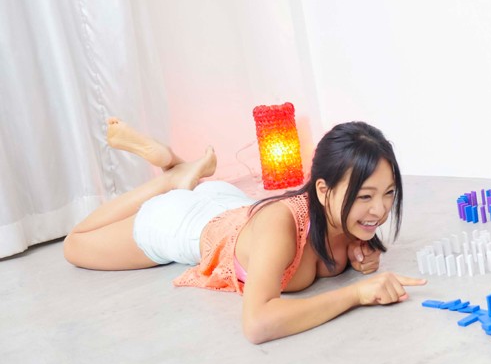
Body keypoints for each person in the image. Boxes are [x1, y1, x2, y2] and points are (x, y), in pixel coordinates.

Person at [64, 118, 426, 343]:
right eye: (365, 196)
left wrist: (361, 255)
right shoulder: (282, 225)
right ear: (322, 190)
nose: (380, 209)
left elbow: (351, 245)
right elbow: (258, 323)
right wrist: (356, 293)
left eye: (388, 193)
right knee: (75, 244)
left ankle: (181, 172)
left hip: (231, 204)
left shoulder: (347, 221)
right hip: (184, 223)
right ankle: (169, 181)